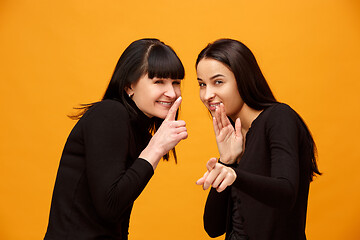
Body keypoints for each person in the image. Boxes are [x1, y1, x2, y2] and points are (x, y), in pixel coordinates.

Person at [44, 38, 188, 240]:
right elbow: (109, 206)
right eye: (158, 81)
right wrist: (155, 149)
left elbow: (119, 217)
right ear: (129, 85)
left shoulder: (139, 132)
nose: (172, 93)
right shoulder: (110, 114)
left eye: (176, 83)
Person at [195, 39, 321, 240]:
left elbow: (286, 192)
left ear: (243, 79)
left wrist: (235, 175)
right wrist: (226, 160)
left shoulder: (279, 117)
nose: (207, 94)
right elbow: (213, 227)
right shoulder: (235, 138)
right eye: (202, 84)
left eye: (218, 82)